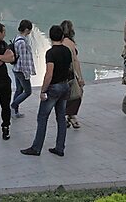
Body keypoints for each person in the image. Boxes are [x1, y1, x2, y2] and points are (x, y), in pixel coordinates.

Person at [21, 24, 73, 157]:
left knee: (42, 117)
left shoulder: (51, 53)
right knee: (61, 118)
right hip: (65, 85)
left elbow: (49, 74)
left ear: (50, 37)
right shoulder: (67, 50)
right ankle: (60, 147)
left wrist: (43, 90)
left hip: (54, 87)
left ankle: (36, 148)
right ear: (62, 36)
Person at [61, 19, 86, 129]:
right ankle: (71, 115)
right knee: (78, 93)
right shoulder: (70, 43)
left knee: (65, 95)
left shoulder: (59, 41)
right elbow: (75, 61)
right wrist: (80, 77)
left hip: (61, 72)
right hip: (70, 72)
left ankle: (66, 115)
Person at [9, 19, 35, 119]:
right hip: (21, 70)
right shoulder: (22, 43)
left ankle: (14, 111)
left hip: (16, 68)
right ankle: (13, 106)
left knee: (19, 90)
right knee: (28, 91)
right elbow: (24, 60)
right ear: (27, 29)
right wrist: (27, 74)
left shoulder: (17, 38)